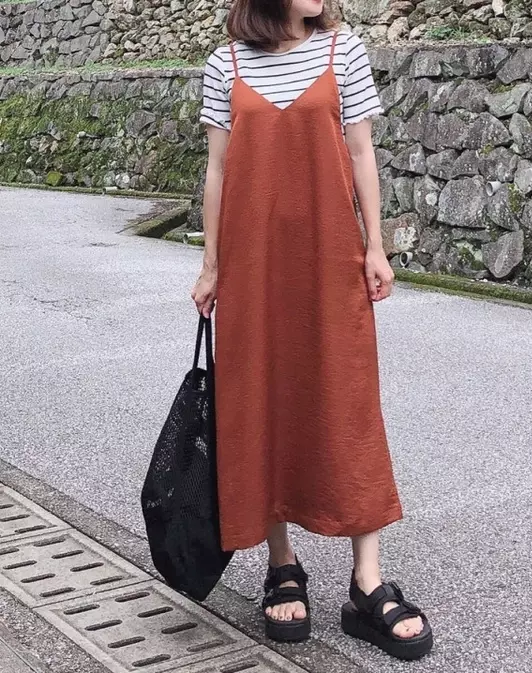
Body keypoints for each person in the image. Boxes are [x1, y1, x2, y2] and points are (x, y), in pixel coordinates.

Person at [192, 0, 433, 661]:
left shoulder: (342, 51)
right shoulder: (224, 63)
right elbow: (217, 170)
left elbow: (361, 151)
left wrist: (375, 246)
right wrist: (211, 264)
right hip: (252, 265)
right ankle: (282, 563)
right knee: (261, 400)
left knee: (348, 401)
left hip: (331, 258)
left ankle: (367, 580)